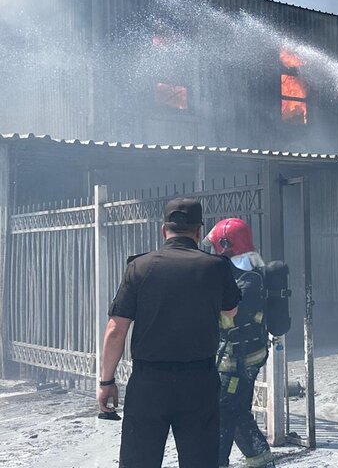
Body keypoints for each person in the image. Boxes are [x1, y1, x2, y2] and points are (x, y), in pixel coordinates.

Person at [97, 198, 241, 468]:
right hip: (199, 382)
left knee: (139, 462)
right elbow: (231, 311)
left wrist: (106, 382)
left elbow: (116, 329)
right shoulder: (216, 267)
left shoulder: (139, 267)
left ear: (164, 229)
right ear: (199, 231)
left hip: (149, 383)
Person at [204, 218, 275, 468]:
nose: (213, 252)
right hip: (235, 357)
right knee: (237, 411)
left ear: (226, 246)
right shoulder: (239, 274)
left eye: (216, 247)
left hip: (239, 361)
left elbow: (230, 315)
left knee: (223, 412)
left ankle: (216, 462)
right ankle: (262, 460)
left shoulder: (249, 279)